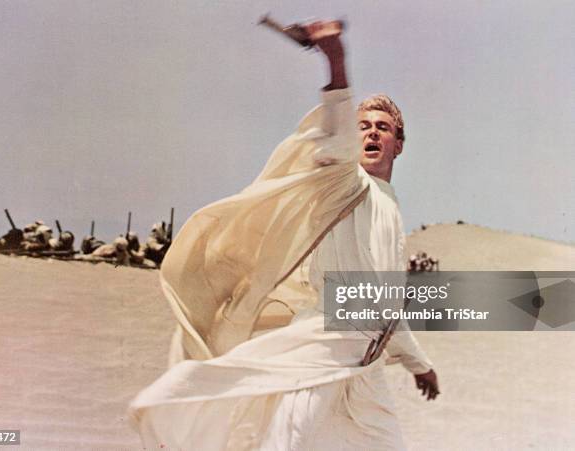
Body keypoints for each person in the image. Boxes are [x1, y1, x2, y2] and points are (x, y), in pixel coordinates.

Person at [130, 20, 438, 450]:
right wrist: (335, 56)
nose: (370, 132)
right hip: (324, 346)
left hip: (367, 366)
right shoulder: (343, 184)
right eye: (364, 125)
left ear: (398, 144)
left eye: (382, 127)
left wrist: (418, 364)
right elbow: (336, 121)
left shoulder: (390, 206)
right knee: (288, 442)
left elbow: (387, 302)